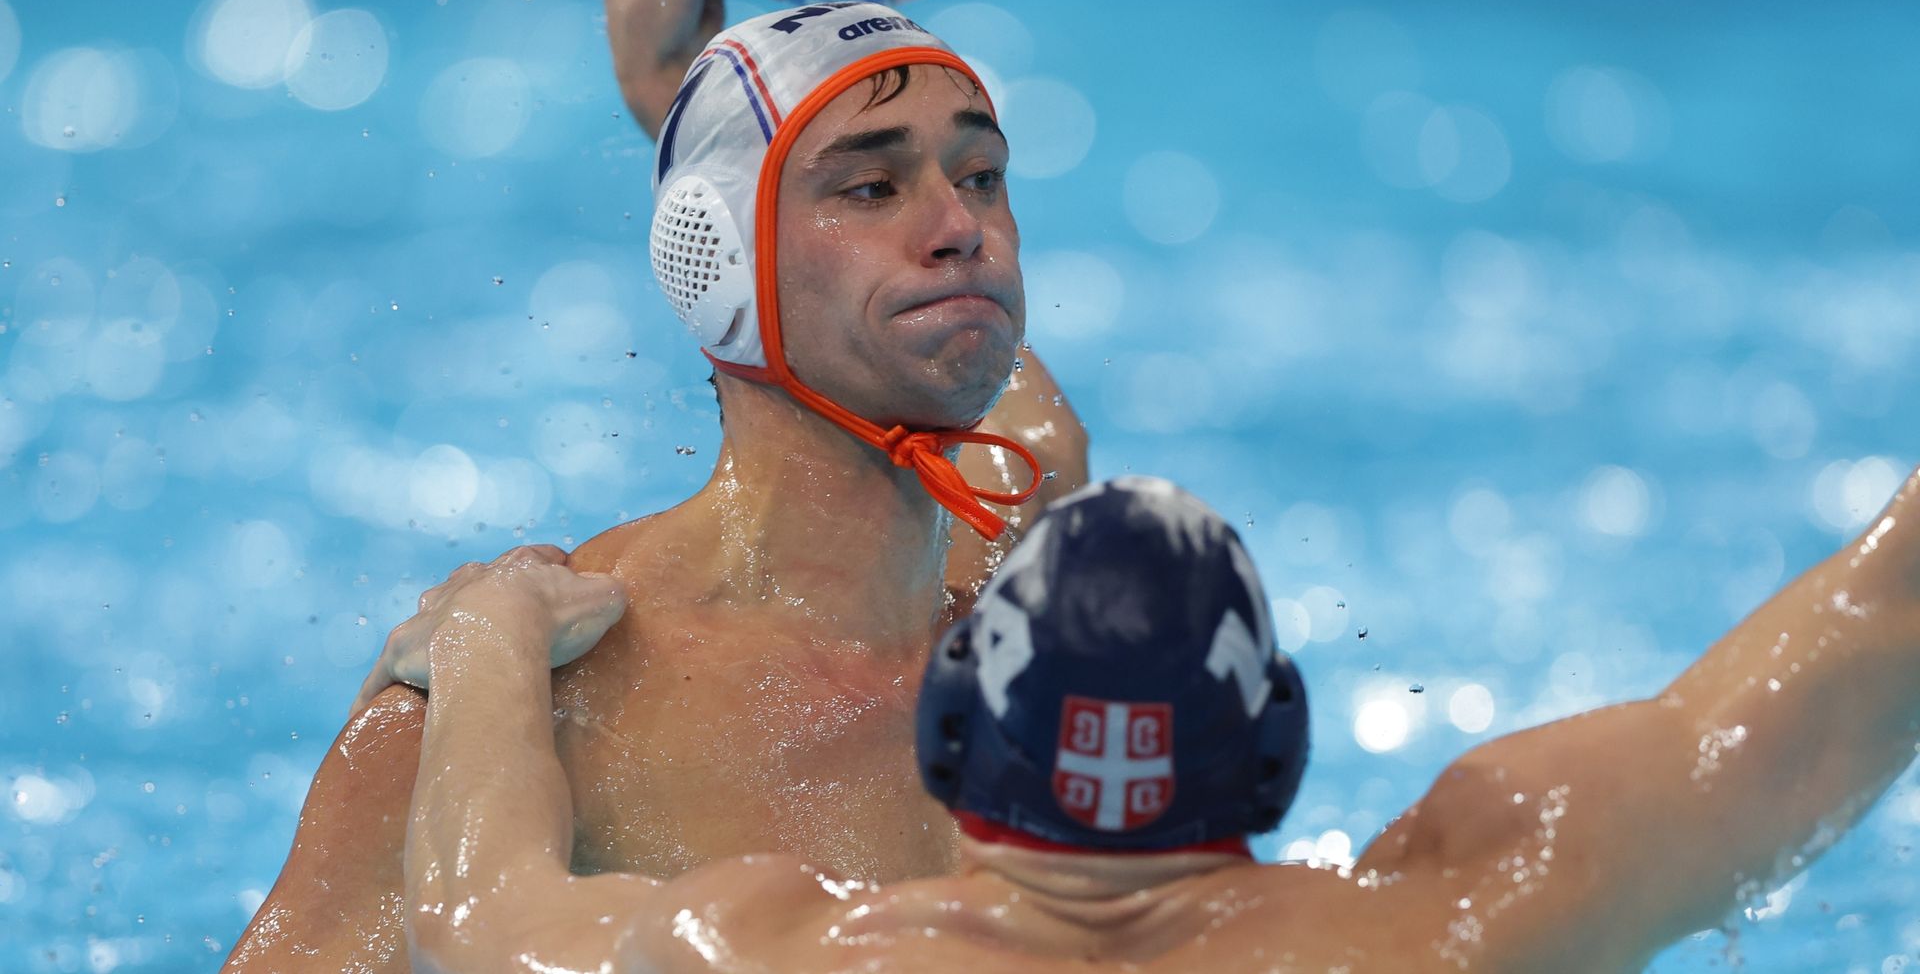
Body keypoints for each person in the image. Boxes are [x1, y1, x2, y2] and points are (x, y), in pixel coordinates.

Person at [222, 0, 1089, 968]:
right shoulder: (518, 704)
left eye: (981, 177)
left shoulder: (1019, 583)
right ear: (716, 261)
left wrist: (667, 97)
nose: (961, 230)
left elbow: (1035, 426)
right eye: (871, 186)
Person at [400, 471, 1920, 973]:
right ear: (1274, 751)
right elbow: (1875, 635)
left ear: (947, 745)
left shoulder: (782, 949)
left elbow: (476, 919)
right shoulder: (1472, 920)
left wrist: (489, 641)